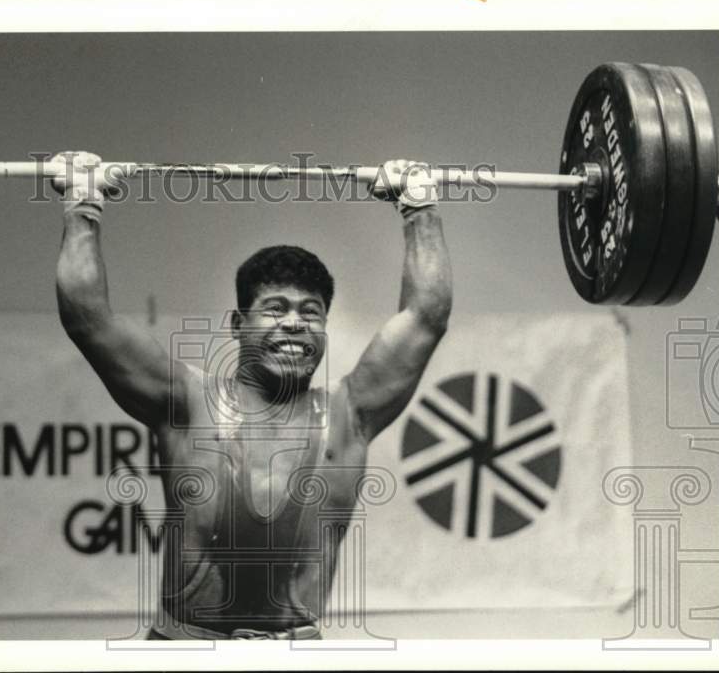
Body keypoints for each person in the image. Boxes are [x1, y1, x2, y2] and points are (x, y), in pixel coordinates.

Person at [52, 152, 452, 640]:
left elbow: (426, 316)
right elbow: (88, 318)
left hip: (293, 656)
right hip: (186, 655)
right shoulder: (186, 402)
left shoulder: (351, 415)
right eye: (275, 308)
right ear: (238, 326)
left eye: (312, 311)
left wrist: (421, 209)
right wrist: (82, 206)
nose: (294, 323)